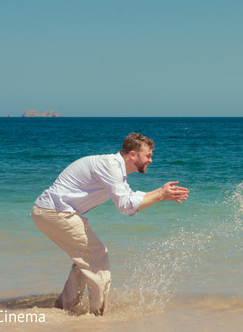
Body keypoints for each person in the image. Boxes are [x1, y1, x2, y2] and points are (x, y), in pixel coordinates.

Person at [31, 133, 189, 316]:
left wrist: (161, 193)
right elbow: (125, 206)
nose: (151, 160)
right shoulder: (110, 166)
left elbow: (130, 199)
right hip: (55, 212)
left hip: (49, 212)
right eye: (148, 155)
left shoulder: (114, 168)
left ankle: (64, 309)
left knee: (85, 259)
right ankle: (97, 315)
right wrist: (160, 194)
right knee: (98, 256)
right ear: (132, 155)